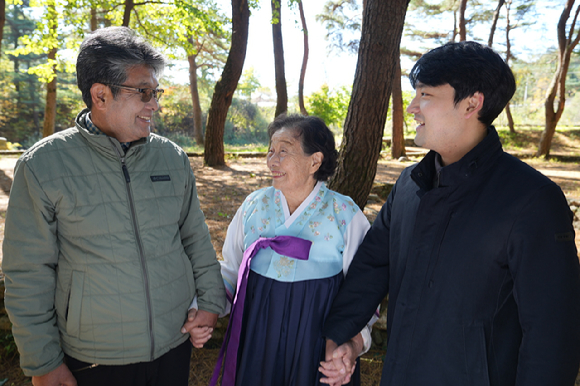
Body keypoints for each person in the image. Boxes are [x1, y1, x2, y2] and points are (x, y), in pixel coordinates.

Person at [321, 41, 580, 386]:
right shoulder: (410, 186)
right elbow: (371, 267)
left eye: (425, 95)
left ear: (472, 103)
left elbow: (553, 334)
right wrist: (342, 334)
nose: (412, 107)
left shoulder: (532, 200)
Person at [2, 26, 225, 386]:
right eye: (144, 92)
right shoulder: (42, 166)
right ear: (100, 95)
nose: (156, 103)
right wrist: (42, 362)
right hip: (94, 361)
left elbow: (195, 238)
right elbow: (28, 273)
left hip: (174, 346)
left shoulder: (172, 158)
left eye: (157, 91)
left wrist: (212, 303)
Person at [201, 114, 375, 386]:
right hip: (259, 333)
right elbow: (231, 270)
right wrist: (207, 310)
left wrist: (352, 343)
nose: (272, 160)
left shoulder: (344, 214)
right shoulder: (254, 206)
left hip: (316, 340)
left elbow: (365, 289)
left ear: (314, 161)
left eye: (284, 151)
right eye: (271, 150)